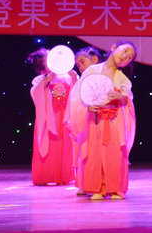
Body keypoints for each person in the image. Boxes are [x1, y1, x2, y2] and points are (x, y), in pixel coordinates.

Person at [73, 41, 137, 200]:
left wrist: (121, 97)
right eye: (125, 51)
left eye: (130, 57)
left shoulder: (122, 79)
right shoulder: (92, 71)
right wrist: (87, 106)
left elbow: (128, 101)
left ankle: (115, 188)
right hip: (94, 119)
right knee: (95, 153)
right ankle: (97, 188)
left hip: (114, 120)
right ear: (114, 48)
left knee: (114, 153)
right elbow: (78, 95)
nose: (126, 56)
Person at [28, 48, 76, 186]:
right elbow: (36, 97)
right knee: (49, 147)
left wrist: (74, 79)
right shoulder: (40, 80)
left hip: (65, 118)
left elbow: (78, 93)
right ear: (43, 70)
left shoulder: (68, 75)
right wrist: (44, 84)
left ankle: (64, 175)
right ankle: (45, 176)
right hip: (49, 118)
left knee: (65, 147)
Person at [64, 46, 102, 195]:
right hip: (86, 120)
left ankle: (100, 183)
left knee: (98, 153)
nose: (80, 66)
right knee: (85, 151)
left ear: (95, 59)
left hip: (101, 119)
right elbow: (75, 101)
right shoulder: (82, 80)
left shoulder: (103, 76)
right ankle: (84, 183)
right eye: (78, 64)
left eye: (82, 61)